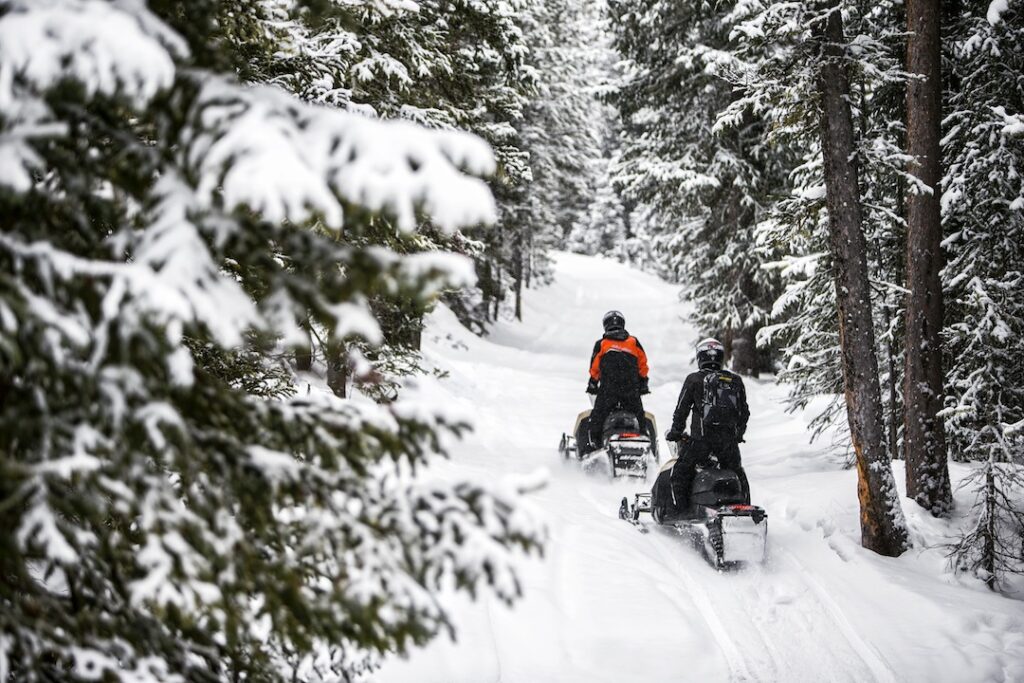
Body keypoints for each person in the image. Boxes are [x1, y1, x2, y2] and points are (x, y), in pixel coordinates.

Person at [661, 338, 750, 517]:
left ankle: (682, 512)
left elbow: (681, 410)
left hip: (701, 442)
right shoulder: (734, 381)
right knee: (737, 474)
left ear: (700, 357)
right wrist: (737, 435)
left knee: (680, 473)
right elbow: (744, 413)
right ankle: (745, 509)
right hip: (728, 445)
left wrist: (675, 432)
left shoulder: (694, 379)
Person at [584, 310, 650, 452]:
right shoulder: (633, 342)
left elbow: (594, 368)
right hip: (631, 390)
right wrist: (643, 383)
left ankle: (595, 445)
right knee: (640, 417)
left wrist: (593, 384)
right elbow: (643, 365)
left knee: (598, 416)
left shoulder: (602, 344)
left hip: (609, 390)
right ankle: (645, 443)